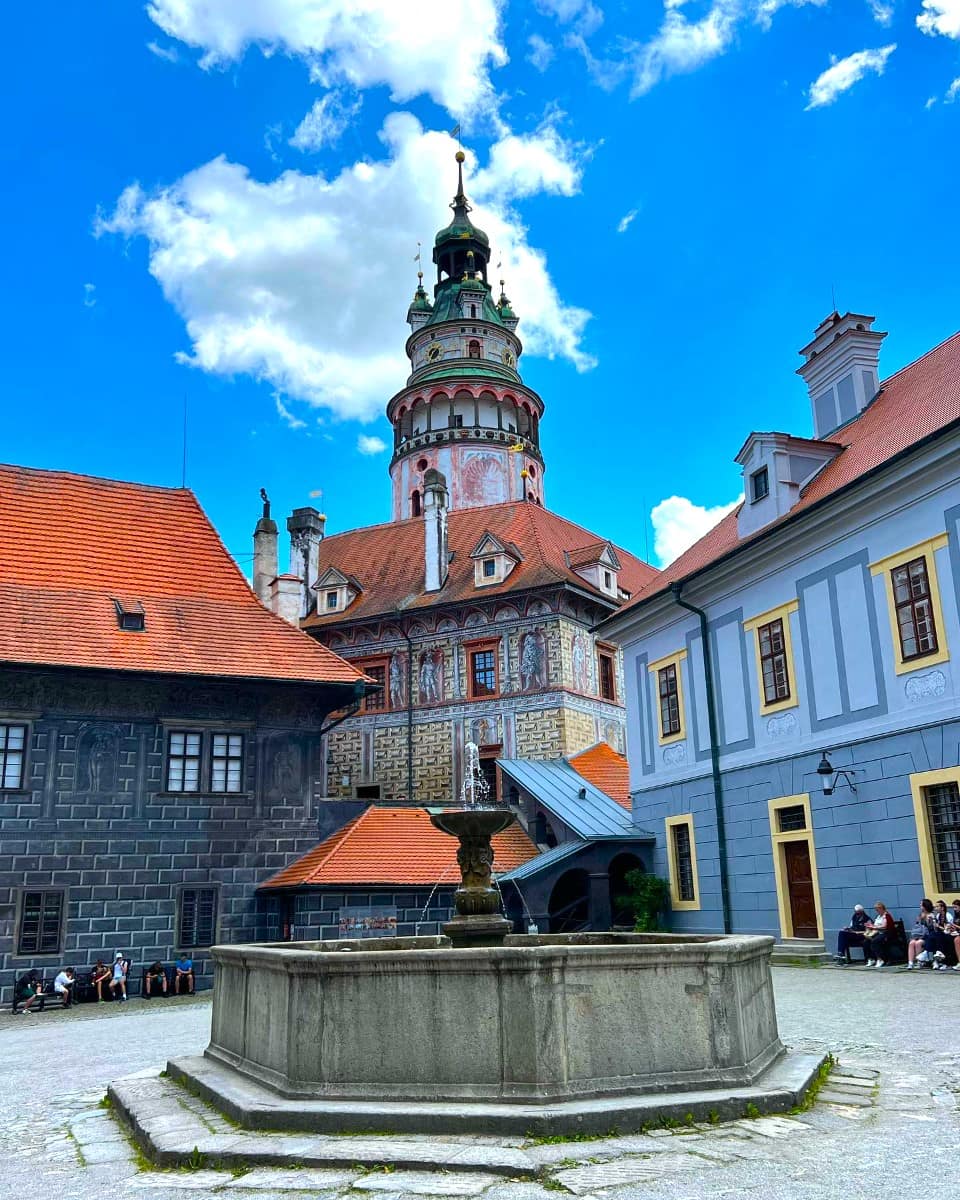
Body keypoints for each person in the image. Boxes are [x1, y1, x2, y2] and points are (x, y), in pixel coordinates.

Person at [862, 901, 895, 967]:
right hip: (877, 932)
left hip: (885, 933)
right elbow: (875, 925)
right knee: (866, 942)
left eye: (877, 909)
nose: (877, 911)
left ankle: (880, 959)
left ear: (881, 908)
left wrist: (874, 927)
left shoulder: (886, 916)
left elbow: (885, 926)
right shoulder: (878, 916)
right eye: (876, 910)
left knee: (875, 941)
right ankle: (871, 958)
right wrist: (870, 925)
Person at [906, 899, 937, 969]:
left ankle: (920, 962)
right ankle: (910, 962)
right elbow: (917, 926)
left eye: (921, 904)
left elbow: (931, 927)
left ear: (925, 906)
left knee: (918, 943)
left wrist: (928, 920)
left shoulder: (931, 915)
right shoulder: (920, 915)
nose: (920, 906)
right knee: (911, 943)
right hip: (919, 935)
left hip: (927, 935)